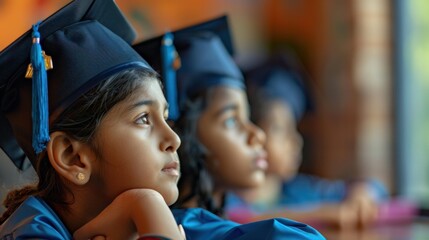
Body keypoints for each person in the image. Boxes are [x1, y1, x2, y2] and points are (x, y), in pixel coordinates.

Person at [0, 0, 184, 239]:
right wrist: (147, 206)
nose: (174, 139)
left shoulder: (186, 222)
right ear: (72, 157)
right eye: (143, 119)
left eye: (166, 118)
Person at [133, 16, 325, 239]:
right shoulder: (183, 229)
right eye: (232, 120)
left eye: (248, 117)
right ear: (181, 134)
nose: (257, 134)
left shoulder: (215, 221)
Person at [225, 53, 388, 229]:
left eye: (295, 129)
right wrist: (320, 214)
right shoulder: (226, 199)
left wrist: (362, 193)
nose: (295, 140)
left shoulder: (300, 190)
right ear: (252, 134)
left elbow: (376, 187)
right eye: (280, 129)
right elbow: (242, 220)